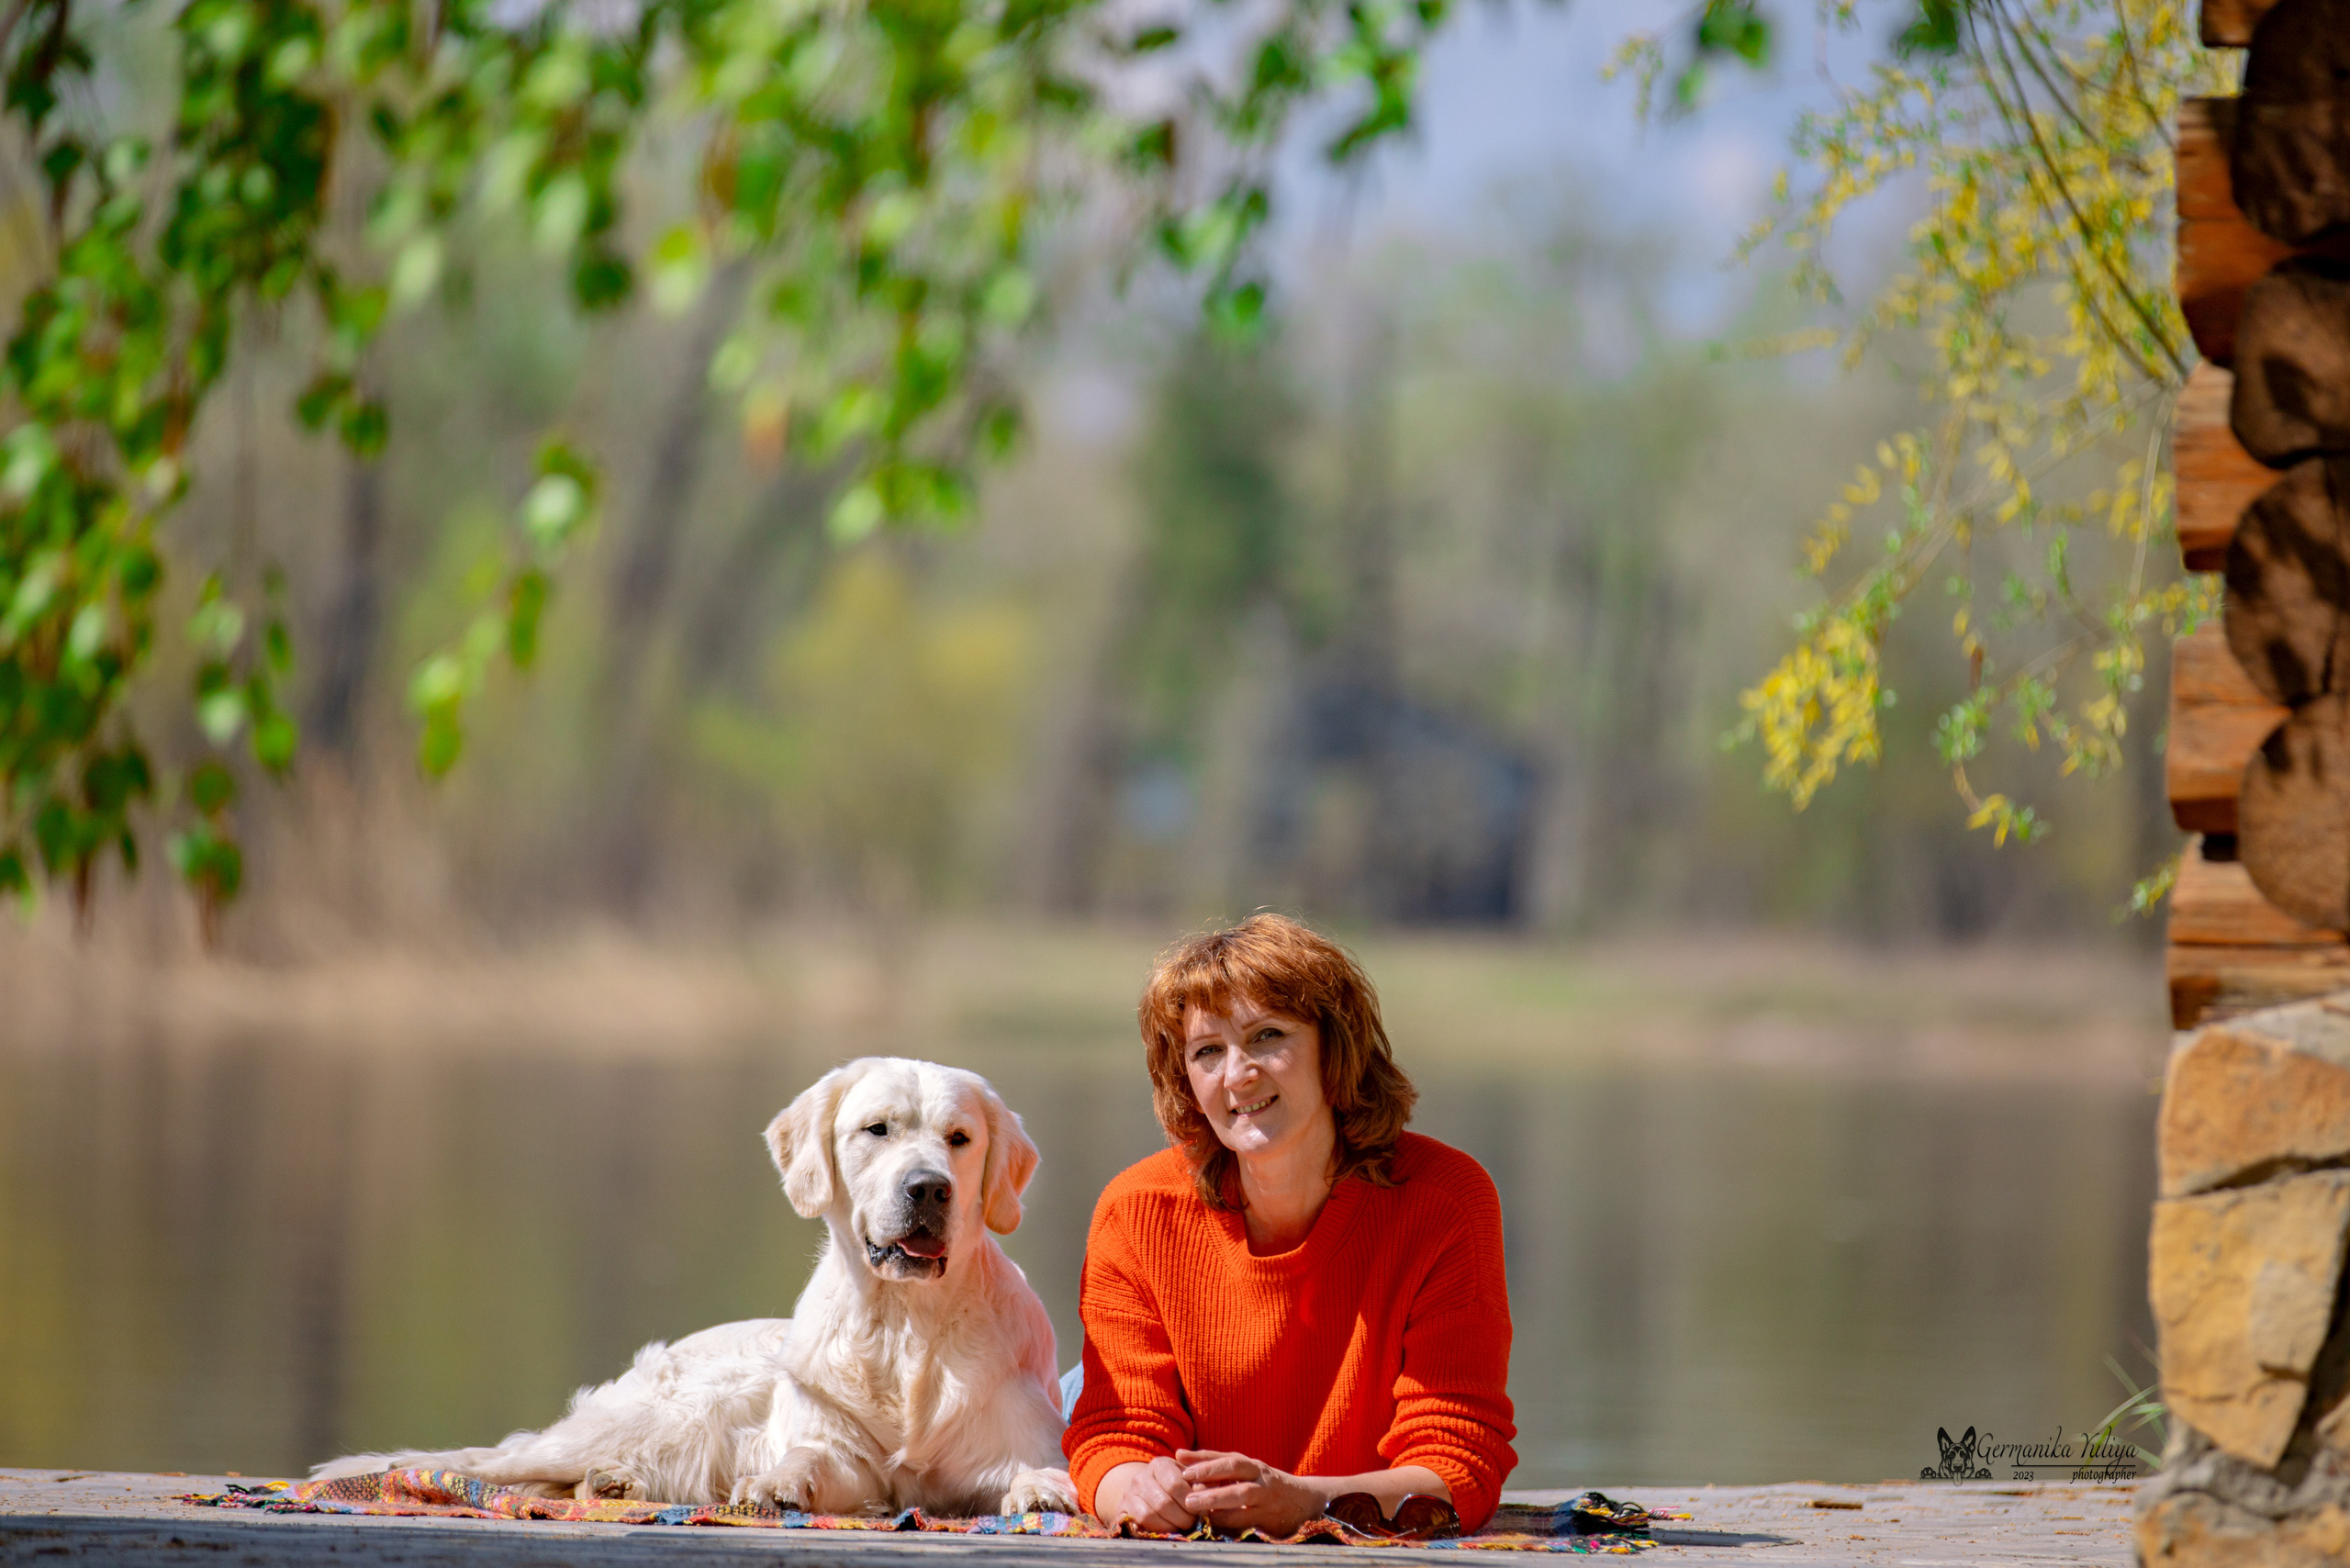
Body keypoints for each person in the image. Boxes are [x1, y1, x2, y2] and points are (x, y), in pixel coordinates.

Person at [1060, 913, 1516, 1536]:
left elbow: (1458, 1467)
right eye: (1208, 1052)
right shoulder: (1135, 1210)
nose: (1238, 1074)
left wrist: (1302, 1500)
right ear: (1186, 1082)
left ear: (1336, 1049)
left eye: (1268, 1036)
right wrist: (1136, 1489)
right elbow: (1113, 1439)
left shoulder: (1445, 1201)